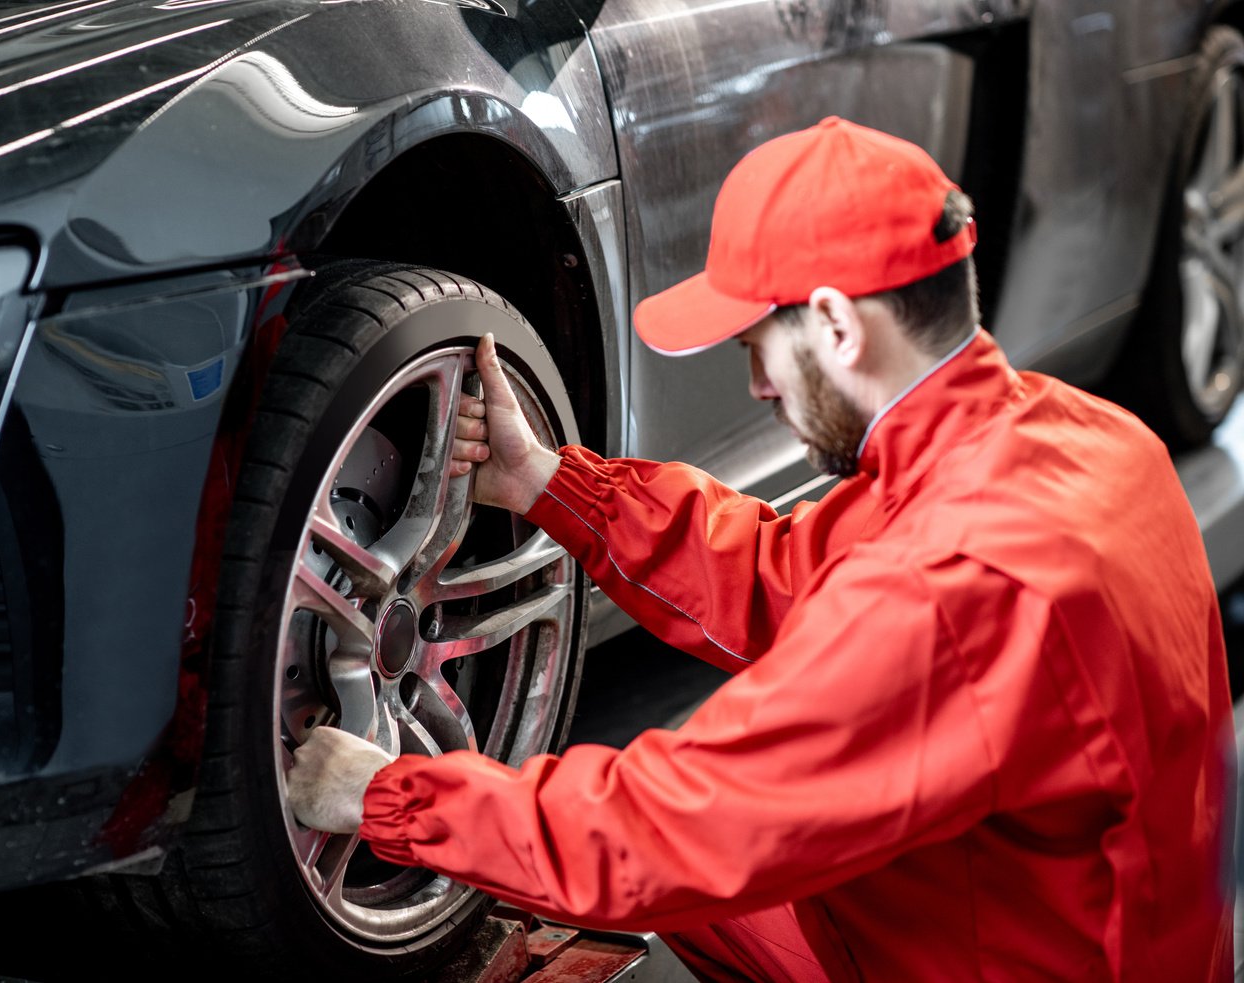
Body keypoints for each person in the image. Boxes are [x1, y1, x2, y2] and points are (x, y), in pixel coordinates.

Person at [287, 117, 1235, 981]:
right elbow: (792, 575)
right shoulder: (1087, 439)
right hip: (1077, 926)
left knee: (664, 852)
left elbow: (667, 828)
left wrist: (393, 798)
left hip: (1002, 958)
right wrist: (550, 484)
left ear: (833, 324)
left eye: (755, 344)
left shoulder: (958, 589)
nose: (758, 388)